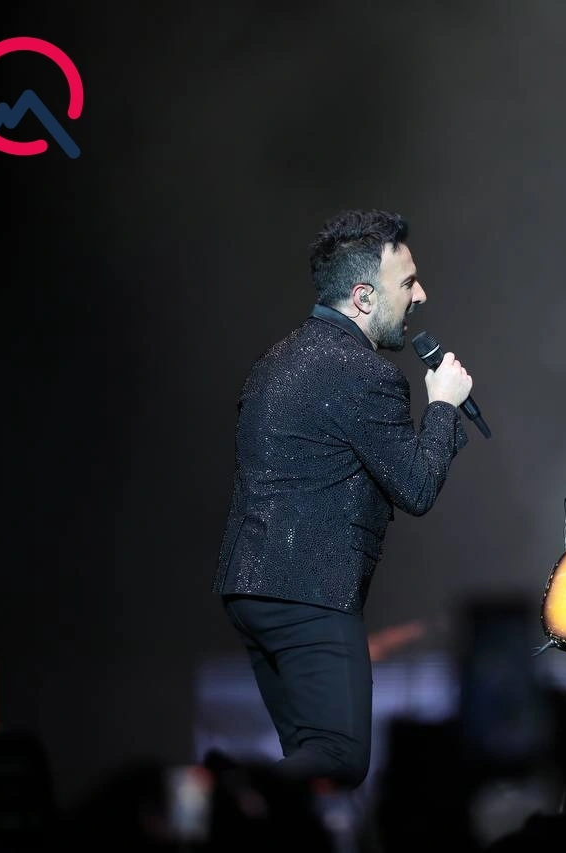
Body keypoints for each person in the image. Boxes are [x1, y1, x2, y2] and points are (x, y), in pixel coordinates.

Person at [213, 208, 474, 788]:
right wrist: (442, 407)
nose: (421, 295)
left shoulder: (276, 360)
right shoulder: (362, 372)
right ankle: (217, 794)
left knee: (308, 768)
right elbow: (416, 487)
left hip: (249, 587)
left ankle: (239, 802)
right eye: (408, 283)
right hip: (308, 591)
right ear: (363, 297)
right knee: (340, 758)